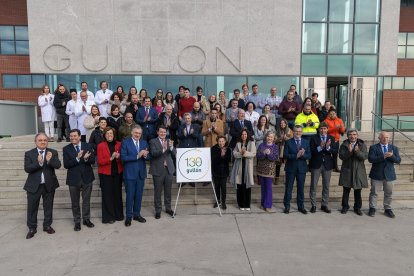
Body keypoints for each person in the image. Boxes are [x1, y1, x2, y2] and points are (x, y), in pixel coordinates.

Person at [24, 133, 61, 239]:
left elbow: (58, 165)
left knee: (48, 206)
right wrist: (39, 163)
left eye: (45, 140)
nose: (43, 142)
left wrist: (49, 160)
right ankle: (32, 228)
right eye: (40, 140)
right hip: (33, 186)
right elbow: (27, 168)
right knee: (32, 208)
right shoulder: (29, 153)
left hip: (49, 185)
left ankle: (47, 225)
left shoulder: (53, 152)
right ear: (35, 142)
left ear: (47, 141)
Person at [63, 129, 96, 231]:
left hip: (87, 177)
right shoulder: (66, 148)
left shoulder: (87, 146)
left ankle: (86, 219)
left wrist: (86, 159)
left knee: (86, 201)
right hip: (73, 179)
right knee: (75, 202)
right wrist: (77, 158)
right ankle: (77, 221)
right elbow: (66, 164)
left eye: (74, 136)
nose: (72, 138)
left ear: (79, 136)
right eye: (71, 136)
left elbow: (93, 160)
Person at [121, 126, 150, 226]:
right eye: (136, 133)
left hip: (140, 173)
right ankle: (129, 216)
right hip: (130, 174)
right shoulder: (126, 142)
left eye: (139, 133)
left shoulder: (144, 142)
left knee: (138, 195)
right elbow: (123, 157)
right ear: (132, 133)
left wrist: (146, 155)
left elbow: (148, 156)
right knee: (130, 196)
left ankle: (136, 214)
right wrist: (137, 156)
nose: (137, 135)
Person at [368, 131, 401, 218]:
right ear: (379, 138)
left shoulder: (394, 148)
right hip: (377, 174)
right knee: (374, 193)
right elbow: (371, 159)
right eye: (383, 137)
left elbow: (398, 160)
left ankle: (387, 208)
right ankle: (372, 208)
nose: (385, 139)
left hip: (390, 175)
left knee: (389, 193)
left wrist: (391, 156)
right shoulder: (373, 147)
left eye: (387, 137)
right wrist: (383, 156)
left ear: (389, 138)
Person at [308, 122, 338, 214]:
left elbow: (335, 151)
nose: (323, 130)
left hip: (327, 165)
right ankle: (313, 205)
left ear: (327, 129)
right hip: (316, 164)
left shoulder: (331, 138)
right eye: (321, 128)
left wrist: (328, 148)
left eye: (325, 128)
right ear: (318, 129)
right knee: (313, 185)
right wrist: (320, 147)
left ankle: (324, 205)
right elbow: (311, 151)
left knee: (326, 186)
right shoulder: (313, 138)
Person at [338, 128, 368, 216]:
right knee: (346, 190)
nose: (352, 136)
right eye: (350, 135)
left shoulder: (362, 144)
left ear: (357, 136)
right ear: (347, 136)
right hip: (347, 170)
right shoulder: (344, 145)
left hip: (358, 171)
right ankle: (345, 206)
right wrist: (349, 152)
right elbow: (342, 157)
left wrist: (357, 152)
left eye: (354, 134)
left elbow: (364, 157)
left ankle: (357, 207)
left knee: (358, 191)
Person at [97, 127, 124, 224]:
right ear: (105, 135)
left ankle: (118, 215)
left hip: (117, 173)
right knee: (107, 195)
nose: (109, 135)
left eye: (111, 133)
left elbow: (123, 158)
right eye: (107, 133)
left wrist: (119, 157)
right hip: (105, 174)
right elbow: (100, 162)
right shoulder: (101, 145)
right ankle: (109, 217)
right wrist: (111, 158)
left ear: (114, 135)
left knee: (117, 194)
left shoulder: (119, 144)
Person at [283, 125, 311, 214]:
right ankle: (287, 206)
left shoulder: (306, 142)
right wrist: (296, 156)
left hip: (302, 169)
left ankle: (301, 207)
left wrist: (303, 155)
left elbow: (309, 155)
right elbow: (285, 155)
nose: (297, 133)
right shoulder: (288, 142)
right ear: (293, 132)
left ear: (302, 132)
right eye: (296, 131)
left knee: (301, 189)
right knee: (289, 188)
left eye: (299, 131)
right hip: (291, 168)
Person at [149, 125, 176, 219]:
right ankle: (158, 210)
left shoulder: (169, 141)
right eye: (161, 132)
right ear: (157, 132)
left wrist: (172, 147)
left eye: (164, 132)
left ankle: (168, 208)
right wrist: (164, 149)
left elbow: (174, 154)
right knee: (158, 191)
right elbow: (153, 153)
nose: (163, 133)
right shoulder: (153, 141)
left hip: (169, 169)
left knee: (168, 191)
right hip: (157, 169)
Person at [230, 129, 256, 211]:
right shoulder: (238, 143)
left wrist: (245, 153)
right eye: (242, 134)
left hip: (247, 167)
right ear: (240, 136)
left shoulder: (252, 143)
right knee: (240, 186)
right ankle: (241, 204)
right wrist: (240, 153)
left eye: (245, 134)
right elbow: (234, 153)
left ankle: (247, 204)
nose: (244, 136)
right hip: (239, 168)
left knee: (247, 186)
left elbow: (253, 154)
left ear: (247, 135)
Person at [256, 132, 279, 212]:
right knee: (263, 187)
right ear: (266, 137)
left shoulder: (275, 147)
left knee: (268, 188)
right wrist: (263, 153)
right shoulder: (261, 145)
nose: (269, 138)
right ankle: (263, 204)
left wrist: (269, 154)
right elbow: (258, 156)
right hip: (261, 169)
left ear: (273, 138)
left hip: (270, 170)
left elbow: (275, 158)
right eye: (268, 136)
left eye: (271, 137)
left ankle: (268, 205)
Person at [211, 135, 231, 210]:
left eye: (222, 141)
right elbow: (214, 160)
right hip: (216, 171)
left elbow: (228, 160)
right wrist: (221, 156)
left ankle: (223, 202)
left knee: (223, 188)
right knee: (216, 187)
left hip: (224, 172)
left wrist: (223, 157)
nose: (221, 143)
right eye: (219, 141)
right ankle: (217, 201)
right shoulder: (213, 148)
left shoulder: (228, 149)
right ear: (217, 141)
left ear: (225, 141)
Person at [274, 118, 293, 184]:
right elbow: (274, 140)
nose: (282, 124)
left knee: (287, 164)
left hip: (287, 148)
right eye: (281, 123)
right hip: (279, 148)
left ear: (286, 124)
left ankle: (287, 179)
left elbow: (292, 140)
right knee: (278, 164)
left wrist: (287, 138)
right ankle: (277, 178)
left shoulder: (289, 130)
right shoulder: (277, 131)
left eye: (283, 123)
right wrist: (280, 138)